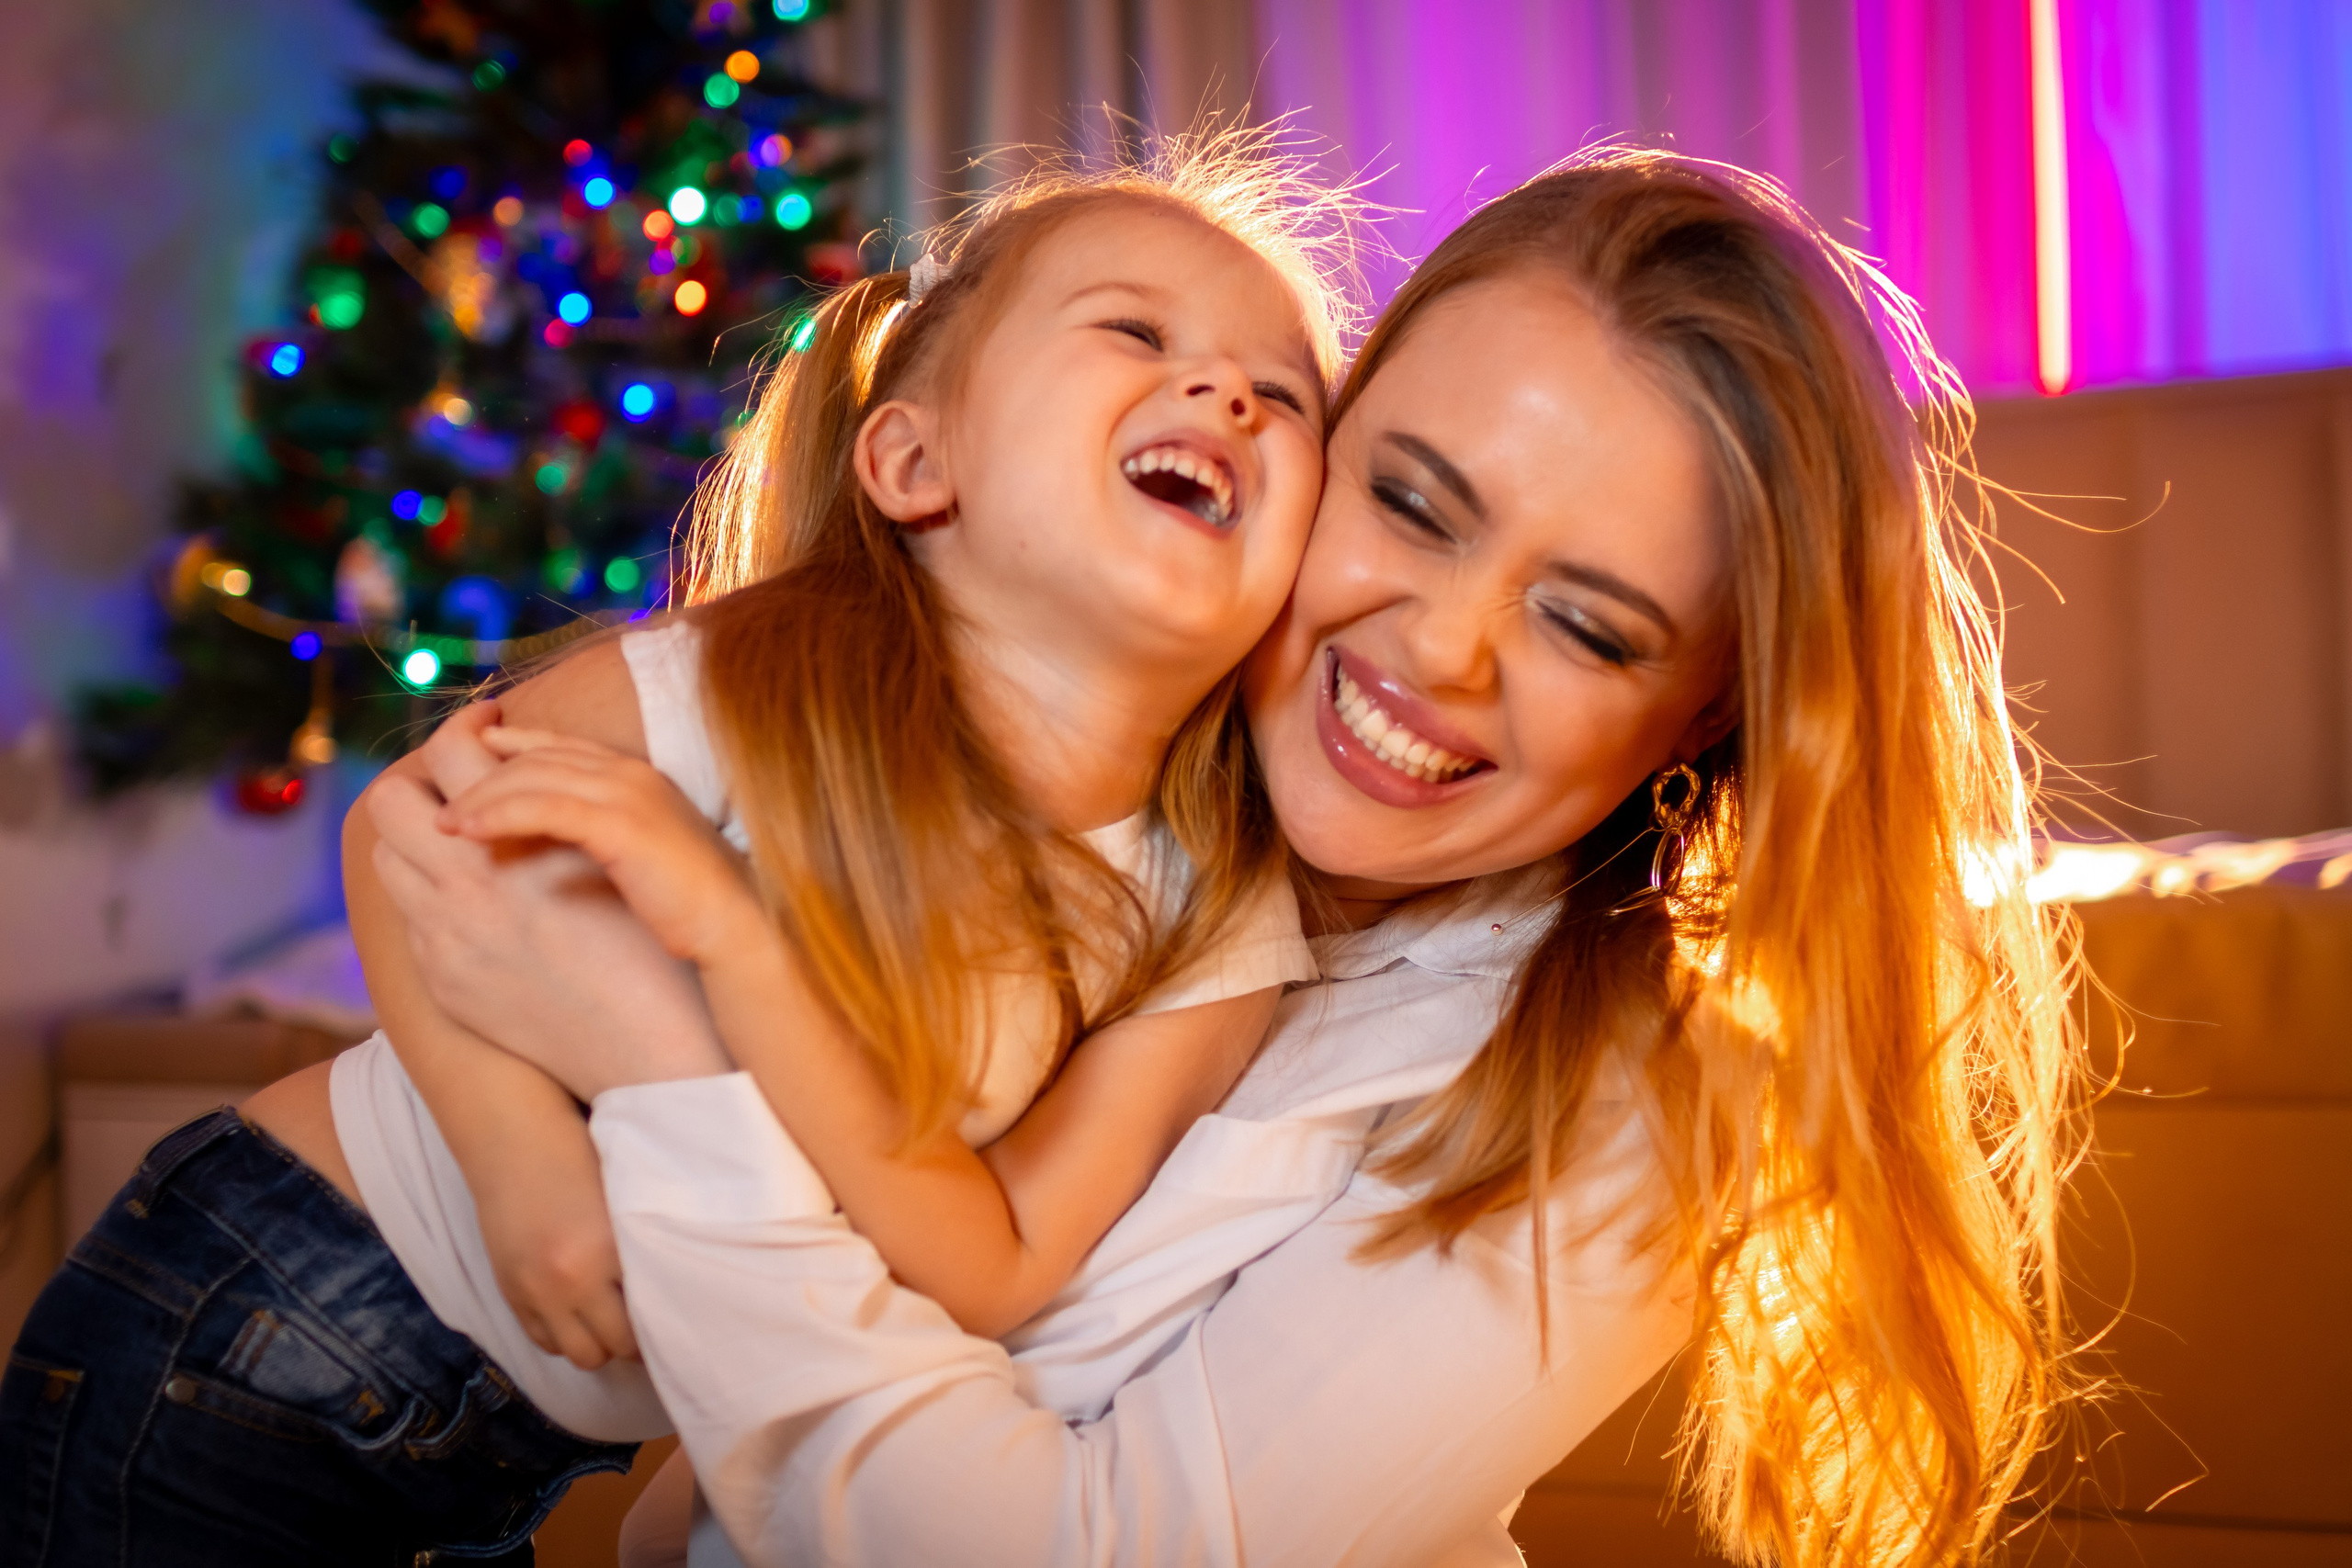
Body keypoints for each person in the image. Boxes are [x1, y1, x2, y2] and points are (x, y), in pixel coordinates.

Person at [375, 146, 2084, 1568]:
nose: (1445, 652)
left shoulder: (1646, 1101)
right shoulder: (1082, 779)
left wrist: (670, 1066)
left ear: (1710, 716)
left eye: (1586, 626)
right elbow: (427, 826)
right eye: (1410, 503)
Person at [0, 130, 1361, 1564]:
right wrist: (520, 1158)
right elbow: (408, 835)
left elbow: (999, 1261)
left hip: (498, 1460)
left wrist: (731, 935)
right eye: (1136, 332)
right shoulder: (753, 681)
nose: (1228, 393)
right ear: (916, 462)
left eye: (1285, 397)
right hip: (253, 1304)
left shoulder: (1214, 918)